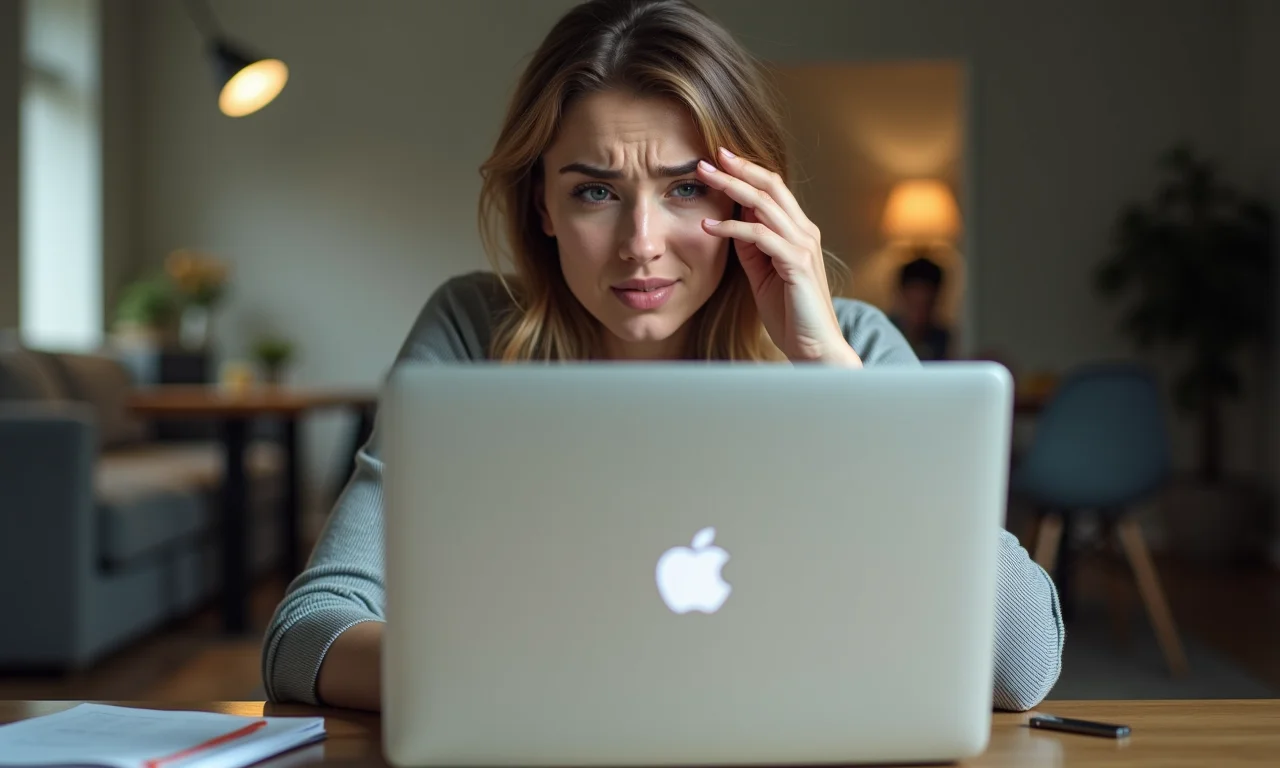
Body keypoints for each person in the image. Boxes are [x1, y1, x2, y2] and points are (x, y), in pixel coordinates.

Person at [261, 0, 1063, 714]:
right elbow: (307, 634)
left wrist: (832, 375)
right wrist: (526, 679)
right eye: (595, 192)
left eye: (686, 189)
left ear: (747, 197)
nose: (641, 246)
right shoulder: (474, 331)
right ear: (541, 202)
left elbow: (1019, 663)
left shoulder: (855, 348)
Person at [889, 256, 952, 361]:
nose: (919, 314)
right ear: (901, 296)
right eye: (913, 305)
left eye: (926, 305)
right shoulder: (884, 332)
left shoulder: (942, 338)